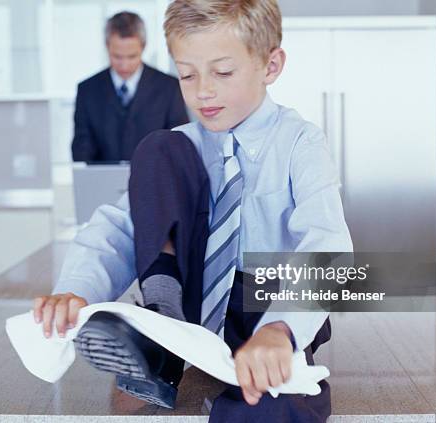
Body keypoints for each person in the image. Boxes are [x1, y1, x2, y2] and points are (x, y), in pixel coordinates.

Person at [35, 0, 352, 421]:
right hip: (190, 299)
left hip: (264, 301)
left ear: (270, 66)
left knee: (275, 405)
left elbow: (328, 245)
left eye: (222, 72)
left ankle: (184, 347)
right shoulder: (182, 147)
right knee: (158, 147)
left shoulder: (300, 144)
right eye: (187, 74)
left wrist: (282, 330)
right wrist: (77, 289)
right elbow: (117, 228)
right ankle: (162, 329)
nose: (202, 90)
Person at [71, 11, 189, 162]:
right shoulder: (87, 90)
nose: (124, 65)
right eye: (117, 56)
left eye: (132, 56)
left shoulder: (169, 87)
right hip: (103, 181)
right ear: (107, 47)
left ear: (143, 47)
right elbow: (82, 147)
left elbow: (178, 145)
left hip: (155, 181)